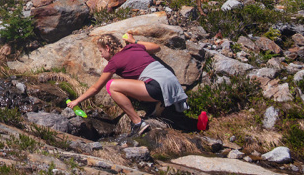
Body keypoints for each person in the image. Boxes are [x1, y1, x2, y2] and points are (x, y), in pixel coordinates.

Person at [67, 33, 208, 138]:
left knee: (112, 85)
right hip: (173, 84)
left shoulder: (114, 62)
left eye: (101, 52)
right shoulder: (134, 46)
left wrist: (77, 101)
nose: (102, 56)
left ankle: (138, 122)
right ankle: (197, 123)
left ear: (108, 48)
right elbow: (156, 47)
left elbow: (96, 88)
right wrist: (134, 40)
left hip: (157, 86)